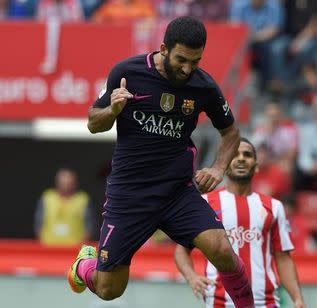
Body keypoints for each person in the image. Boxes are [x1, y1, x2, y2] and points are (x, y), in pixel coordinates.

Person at [66, 17, 255, 308]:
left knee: (222, 250)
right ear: (164, 48)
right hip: (130, 195)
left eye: (196, 61)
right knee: (109, 289)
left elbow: (230, 132)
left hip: (176, 191)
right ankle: (84, 266)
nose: (188, 68)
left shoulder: (203, 86)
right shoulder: (127, 72)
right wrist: (113, 110)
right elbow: (94, 124)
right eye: (181, 59)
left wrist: (218, 168)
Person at [174, 138, 307, 308]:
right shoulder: (205, 203)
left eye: (247, 154)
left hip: (266, 303)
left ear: (256, 165)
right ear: (225, 165)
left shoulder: (274, 207)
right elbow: (181, 251)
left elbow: (283, 259)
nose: (241, 158)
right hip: (219, 302)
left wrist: (297, 298)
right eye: (235, 155)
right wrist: (191, 277)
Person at [34, 168, 94, 246]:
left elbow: (89, 225)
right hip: (48, 246)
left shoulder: (83, 199)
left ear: (75, 183)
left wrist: (82, 245)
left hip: (74, 248)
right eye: (63, 183)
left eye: (69, 183)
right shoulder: (47, 196)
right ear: (57, 182)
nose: (66, 186)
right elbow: (38, 222)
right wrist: (42, 241)